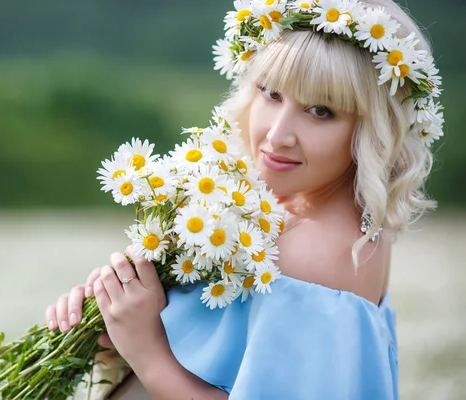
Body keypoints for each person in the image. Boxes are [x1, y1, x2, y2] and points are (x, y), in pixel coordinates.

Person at [45, 0, 443, 398]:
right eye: (271, 93)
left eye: (320, 111)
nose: (278, 134)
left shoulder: (321, 254)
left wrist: (147, 349)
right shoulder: (296, 218)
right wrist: (116, 320)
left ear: (373, 130)